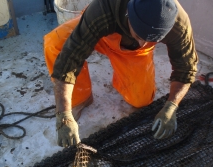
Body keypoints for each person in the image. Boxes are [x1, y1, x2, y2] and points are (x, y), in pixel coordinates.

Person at [43, 0, 198, 147]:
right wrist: (63, 115)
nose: (142, 43)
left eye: (151, 39)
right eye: (139, 36)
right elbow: (71, 57)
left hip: (132, 52)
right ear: (128, 15)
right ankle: (80, 97)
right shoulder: (103, 9)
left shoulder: (179, 24)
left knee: (141, 100)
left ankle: (124, 74)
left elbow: (186, 69)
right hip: (102, 31)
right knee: (56, 43)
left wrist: (172, 106)